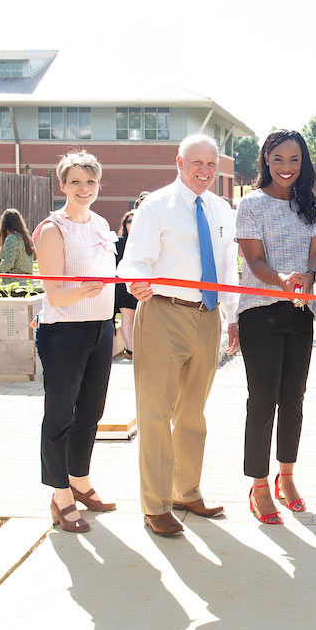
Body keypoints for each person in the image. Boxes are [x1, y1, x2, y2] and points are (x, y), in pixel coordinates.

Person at [117, 134, 239, 538]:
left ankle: (186, 490)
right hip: (164, 314)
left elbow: (226, 267)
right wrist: (136, 283)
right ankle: (155, 506)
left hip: (207, 318)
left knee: (192, 415)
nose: (204, 170)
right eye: (196, 162)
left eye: (211, 163)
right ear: (179, 162)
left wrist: (231, 317)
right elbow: (133, 262)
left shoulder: (222, 209)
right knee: (156, 414)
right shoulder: (156, 206)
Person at [235, 129, 316, 525]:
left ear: (303, 163)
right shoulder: (251, 204)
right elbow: (253, 260)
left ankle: (285, 476)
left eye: (294, 160)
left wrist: (307, 276)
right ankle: (257, 484)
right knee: (262, 400)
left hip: (299, 314)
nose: (286, 167)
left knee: (293, 399)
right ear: (266, 162)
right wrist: (281, 281)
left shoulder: (312, 206)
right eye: (277, 160)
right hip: (259, 312)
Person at [33, 151, 118, 533]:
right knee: (60, 415)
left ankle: (80, 481)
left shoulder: (101, 223)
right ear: (62, 184)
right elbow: (55, 294)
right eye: (75, 182)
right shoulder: (53, 229)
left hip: (100, 329)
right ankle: (60, 493)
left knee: (91, 412)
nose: (84, 189)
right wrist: (86, 290)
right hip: (64, 332)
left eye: (90, 182)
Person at [113, 210, 138, 357]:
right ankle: (131, 349)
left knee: (139, 318)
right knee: (128, 317)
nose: (132, 223)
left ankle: (138, 348)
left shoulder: (145, 241)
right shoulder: (119, 242)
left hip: (140, 284)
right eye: (129, 221)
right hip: (122, 285)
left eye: (135, 220)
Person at [0, 208, 35, 282]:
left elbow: (8, 262)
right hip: (28, 281)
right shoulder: (25, 238)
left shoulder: (11, 238)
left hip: (14, 283)